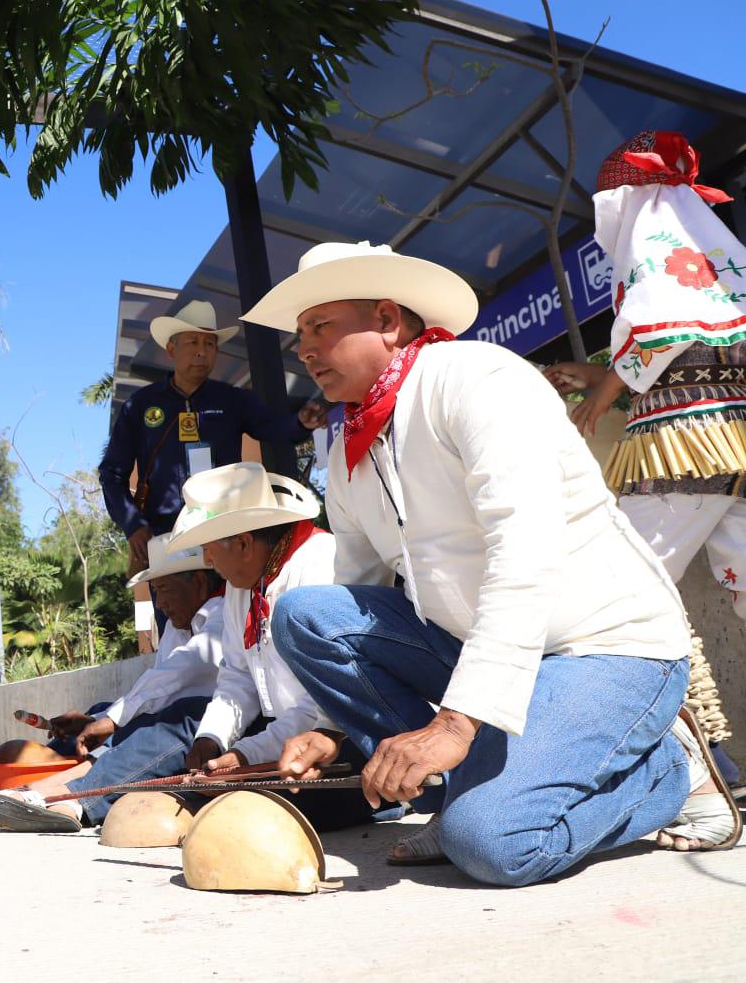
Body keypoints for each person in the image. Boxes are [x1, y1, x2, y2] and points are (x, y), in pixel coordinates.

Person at [242, 239, 740, 889]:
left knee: (492, 843)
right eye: (299, 335)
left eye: (320, 326)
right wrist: (333, 729)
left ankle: (668, 769)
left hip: (605, 649)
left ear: (389, 320)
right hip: (491, 657)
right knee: (308, 616)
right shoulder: (347, 453)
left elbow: (523, 550)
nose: (304, 349)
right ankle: (463, 790)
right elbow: (358, 595)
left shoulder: (477, 379)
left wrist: (454, 722)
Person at [0, 466, 373, 834]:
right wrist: (213, 739)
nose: (209, 561)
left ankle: (77, 798)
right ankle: (77, 796)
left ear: (245, 542)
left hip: (334, 741)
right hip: (285, 737)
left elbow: (320, 711)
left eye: (211, 548)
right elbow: (238, 680)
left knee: (227, 799)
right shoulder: (244, 586)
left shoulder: (321, 567)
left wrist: (246, 754)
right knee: (195, 742)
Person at [545, 131, 741, 776]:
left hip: (686, 448)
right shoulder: (719, 254)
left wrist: (602, 394)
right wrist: (599, 376)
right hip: (733, 438)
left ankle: (701, 767)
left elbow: (657, 337)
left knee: (625, 592)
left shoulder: (658, 251)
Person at [0, 538, 222, 815]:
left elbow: (181, 671)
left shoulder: (220, 613)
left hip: (205, 729)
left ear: (197, 582)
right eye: (155, 592)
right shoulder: (178, 625)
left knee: (156, 724)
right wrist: (102, 718)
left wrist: (111, 721)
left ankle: (62, 794)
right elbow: (158, 688)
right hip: (173, 715)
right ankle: (17, 782)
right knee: (97, 715)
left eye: (164, 590)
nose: (159, 604)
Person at [98, 300, 327, 579]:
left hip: (226, 533)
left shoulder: (231, 400)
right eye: (192, 342)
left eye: (209, 345)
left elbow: (274, 428)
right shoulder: (141, 405)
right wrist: (132, 524)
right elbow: (111, 473)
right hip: (166, 537)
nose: (201, 352)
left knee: (229, 616)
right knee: (175, 615)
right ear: (171, 349)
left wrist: (301, 422)